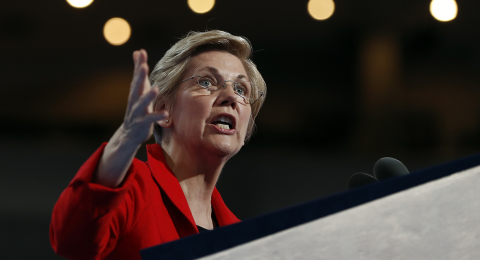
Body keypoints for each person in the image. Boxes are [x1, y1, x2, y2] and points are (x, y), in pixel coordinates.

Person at [50, 30, 266, 260]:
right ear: (163, 110)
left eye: (241, 89)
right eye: (206, 82)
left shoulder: (243, 241)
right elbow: (73, 242)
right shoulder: (132, 189)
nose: (230, 96)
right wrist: (127, 137)